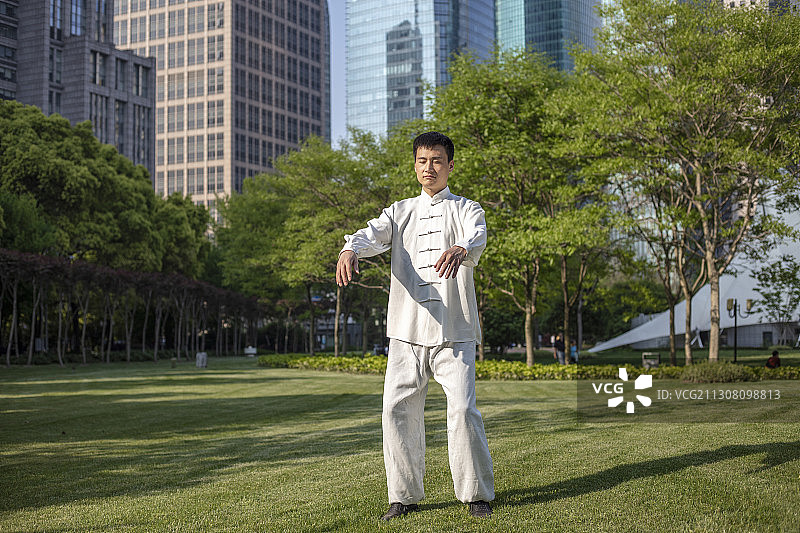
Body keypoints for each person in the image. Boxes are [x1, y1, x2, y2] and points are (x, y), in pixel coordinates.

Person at [336, 132, 494, 520]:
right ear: (415, 165)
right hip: (405, 331)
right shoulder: (399, 211)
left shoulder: (466, 208)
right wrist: (350, 248)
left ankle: (476, 494)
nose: (429, 168)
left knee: (463, 411)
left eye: (437, 160)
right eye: (423, 161)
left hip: (454, 329)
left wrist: (462, 248)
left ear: (450, 165)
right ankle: (403, 497)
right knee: (397, 411)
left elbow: (477, 235)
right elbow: (371, 234)